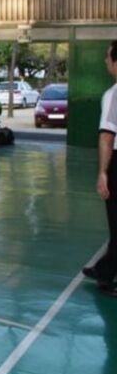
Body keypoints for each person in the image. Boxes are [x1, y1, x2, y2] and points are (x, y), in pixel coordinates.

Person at [83, 40, 117, 295]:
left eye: (108, 57)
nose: (105, 61)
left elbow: (107, 136)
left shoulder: (113, 94)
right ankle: (104, 269)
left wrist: (103, 173)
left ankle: (106, 276)